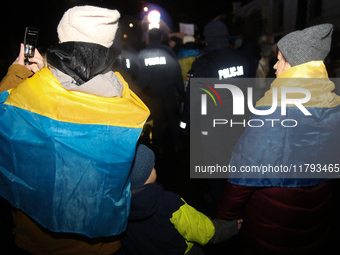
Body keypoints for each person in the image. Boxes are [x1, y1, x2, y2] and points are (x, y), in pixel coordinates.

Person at [0, 5, 149, 255]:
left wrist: (20, 72)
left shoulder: (29, 95)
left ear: (61, 41)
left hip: (38, 242)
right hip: (103, 245)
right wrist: (47, 72)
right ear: (108, 45)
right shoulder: (128, 103)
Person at [216, 23, 340, 255]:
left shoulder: (274, 111)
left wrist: (224, 219)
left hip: (271, 223)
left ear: (295, 66)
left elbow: (244, 175)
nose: (274, 65)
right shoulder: (334, 104)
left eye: (280, 59)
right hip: (316, 217)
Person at [118, 144, 242, 255]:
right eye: (152, 167)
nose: (155, 167)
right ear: (144, 176)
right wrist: (230, 227)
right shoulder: (169, 202)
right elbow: (203, 230)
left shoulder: (115, 208)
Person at [180, 20, 250, 207]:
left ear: (208, 39)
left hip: (213, 125)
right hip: (239, 121)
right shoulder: (241, 58)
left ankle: (220, 202)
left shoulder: (203, 62)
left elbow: (192, 97)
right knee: (236, 158)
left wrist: (185, 124)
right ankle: (238, 198)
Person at [137, 28, 185, 154]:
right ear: (160, 37)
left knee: (157, 119)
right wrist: (181, 93)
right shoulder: (168, 51)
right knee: (173, 118)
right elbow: (177, 73)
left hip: (153, 94)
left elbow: (142, 78)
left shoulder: (143, 53)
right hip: (169, 91)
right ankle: (177, 144)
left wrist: (136, 93)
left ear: (149, 37)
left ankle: (159, 147)